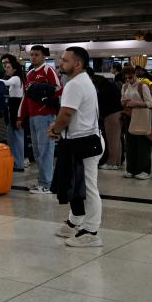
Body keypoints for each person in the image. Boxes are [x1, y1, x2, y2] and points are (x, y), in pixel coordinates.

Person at [49, 47, 105, 248]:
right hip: (82, 140)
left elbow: (66, 114)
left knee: (88, 187)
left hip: (85, 142)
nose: (61, 63)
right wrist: (58, 128)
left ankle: (91, 231)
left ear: (78, 64)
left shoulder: (75, 84)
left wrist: (55, 129)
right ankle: (75, 221)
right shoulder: (82, 81)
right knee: (76, 183)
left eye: (65, 60)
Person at [18, 45, 62, 194]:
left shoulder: (48, 70)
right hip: (33, 116)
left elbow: (58, 89)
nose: (33, 57)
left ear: (44, 56)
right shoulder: (30, 73)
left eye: (36, 55)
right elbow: (26, 97)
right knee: (37, 152)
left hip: (45, 115)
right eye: (31, 55)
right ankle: (42, 181)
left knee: (46, 150)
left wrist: (46, 97)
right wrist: (21, 116)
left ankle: (47, 184)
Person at [121, 67, 152, 180]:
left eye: (130, 77)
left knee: (142, 145)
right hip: (129, 117)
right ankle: (131, 169)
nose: (128, 80)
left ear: (135, 74)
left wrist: (136, 103)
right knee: (130, 144)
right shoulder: (125, 86)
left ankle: (144, 170)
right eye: (125, 78)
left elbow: (150, 103)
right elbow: (122, 99)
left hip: (141, 117)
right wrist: (123, 102)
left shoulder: (143, 86)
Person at [91, 68, 124, 171]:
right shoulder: (110, 85)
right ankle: (117, 162)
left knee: (112, 141)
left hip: (111, 115)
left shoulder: (103, 89)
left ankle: (111, 163)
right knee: (117, 140)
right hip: (118, 113)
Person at [0, 55, 25, 171]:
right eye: (5, 67)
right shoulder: (16, 78)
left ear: (14, 68)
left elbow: (5, 83)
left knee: (18, 138)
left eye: (8, 67)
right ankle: (15, 162)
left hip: (16, 110)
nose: (6, 69)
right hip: (12, 109)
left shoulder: (16, 78)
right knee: (12, 138)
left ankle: (19, 164)